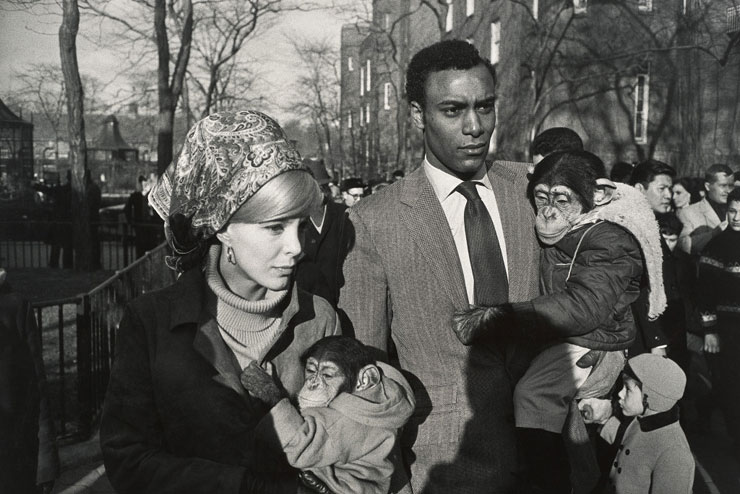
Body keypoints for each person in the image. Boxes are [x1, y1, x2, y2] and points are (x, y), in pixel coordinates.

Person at [100, 110, 341, 494]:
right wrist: (240, 486)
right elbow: (127, 459)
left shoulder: (319, 318)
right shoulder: (153, 322)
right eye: (275, 227)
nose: (295, 247)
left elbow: (342, 447)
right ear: (225, 228)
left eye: (300, 225)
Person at [338, 39, 541, 493]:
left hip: (550, 457)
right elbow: (367, 372)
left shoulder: (534, 191)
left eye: (484, 107)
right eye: (452, 110)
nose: (474, 127)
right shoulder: (374, 221)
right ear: (417, 116)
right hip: (443, 468)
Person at [241, 335, 416, 494]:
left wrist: (271, 394)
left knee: (239, 480)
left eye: (327, 374)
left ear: (364, 379)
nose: (313, 383)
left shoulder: (350, 417)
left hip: (337, 489)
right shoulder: (377, 402)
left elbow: (300, 446)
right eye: (310, 371)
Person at [579, 354, 694, 494]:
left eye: (627, 389)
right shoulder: (643, 419)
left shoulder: (674, 453)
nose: (620, 394)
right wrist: (601, 418)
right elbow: (629, 441)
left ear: (650, 398)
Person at [696, 187, 740, 462]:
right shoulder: (717, 246)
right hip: (730, 328)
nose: (736, 217)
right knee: (733, 384)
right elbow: (705, 292)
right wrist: (710, 330)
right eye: (733, 211)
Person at [627, 160, 677, 359]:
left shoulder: (650, 223)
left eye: (670, 189)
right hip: (641, 335)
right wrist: (656, 340)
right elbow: (639, 287)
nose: (669, 195)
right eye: (662, 188)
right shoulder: (634, 227)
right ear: (640, 189)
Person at [296, 161, 350, 308]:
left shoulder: (344, 214)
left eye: (323, 186)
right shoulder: (297, 220)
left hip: (343, 300)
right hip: (309, 304)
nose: (320, 191)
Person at [678, 163, 735, 255]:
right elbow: (682, 245)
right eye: (723, 186)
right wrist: (713, 234)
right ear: (707, 186)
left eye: (731, 186)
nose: (728, 191)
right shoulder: (688, 212)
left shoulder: (737, 210)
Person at [124, 175, 162, 259]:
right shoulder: (142, 196)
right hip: (147, 226)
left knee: (144, 251)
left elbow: (127, 209)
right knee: (147, 250)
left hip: (144, 226)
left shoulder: (136, 196)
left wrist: (131, 222)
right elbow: (127, 209)